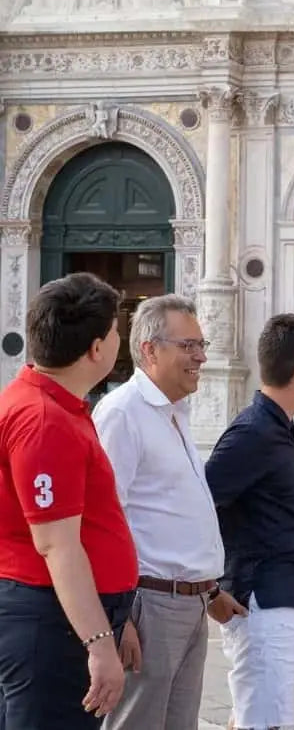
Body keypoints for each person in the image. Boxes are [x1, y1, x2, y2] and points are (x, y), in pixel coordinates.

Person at [93, 295, 246, 730]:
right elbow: (106, 520)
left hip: (189, 603)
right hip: (149, 606)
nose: (201, 356)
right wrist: (116, 619)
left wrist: (210, 591)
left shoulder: (175, 412)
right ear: (150, 350)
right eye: (188, 345)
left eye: (202, 344)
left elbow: (169, 512)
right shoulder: (123, 414)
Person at [0, 273, 138, 729]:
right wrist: (99, 641)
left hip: (64, 613)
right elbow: (57, 544)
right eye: (118, 332)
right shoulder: (44, 420)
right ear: (97, 349)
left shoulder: (56, 406)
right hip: (50, 620)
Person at [205, 314, 294, 730]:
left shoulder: (277, 428)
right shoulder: (254, 433)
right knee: (265, 723)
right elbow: (201, 504)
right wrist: (211, 589)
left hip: (284, 597)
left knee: (261, 718)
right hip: (260, 603)